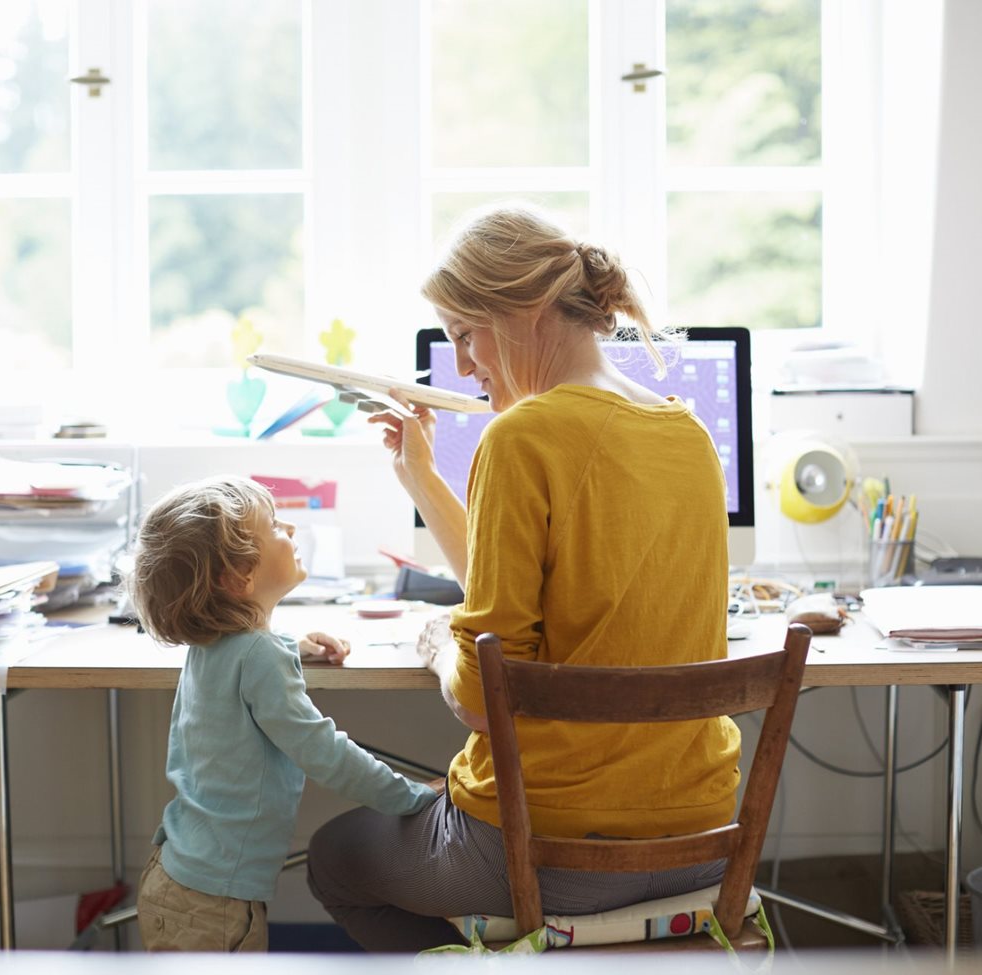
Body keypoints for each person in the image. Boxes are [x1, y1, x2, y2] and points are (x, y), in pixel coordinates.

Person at [306, 205, 741, 951]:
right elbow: (524, 598)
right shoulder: (690, 434)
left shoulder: (520, 438)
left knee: (331, 859)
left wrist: (440, 640)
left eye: (465, 335)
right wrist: (421, 474)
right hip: (699, 838)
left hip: (549, 851)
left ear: (527, 310)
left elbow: (482, 698)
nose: (465, 365)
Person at [127, 475, 438, 952]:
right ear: (238, 578)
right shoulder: (259, 659)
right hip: (214, 903)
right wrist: (413, 798)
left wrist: (295, 646)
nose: (289, 527)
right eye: (273, 524)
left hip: (180, 875)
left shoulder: (215, 646)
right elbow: (324, 752)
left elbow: (244, 665)